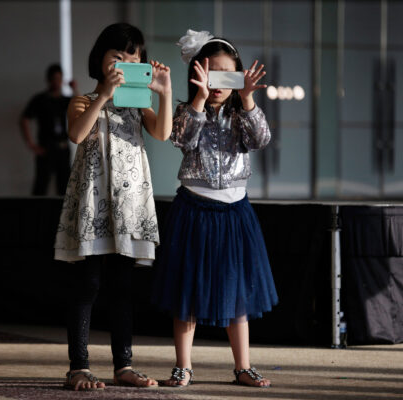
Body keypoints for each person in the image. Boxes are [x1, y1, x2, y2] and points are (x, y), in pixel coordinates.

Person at [151, 30, 278, 388]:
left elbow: (261, 139)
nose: (218, 83)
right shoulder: (186, 111)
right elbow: (180, 138)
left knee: (237, 290)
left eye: (227, 74)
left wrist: (249, 99)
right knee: (186, 292)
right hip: (193, 209)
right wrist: (199, 101)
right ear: (197, 73)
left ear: (238, 76)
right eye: (211, 73)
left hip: (236, 211)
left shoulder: (242, 113)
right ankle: (184, 366)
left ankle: (242, 366)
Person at [54, 23, 172, 391]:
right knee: (87, 284)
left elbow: (164, 134)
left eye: (131, 58)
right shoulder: (84, 100)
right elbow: (76, 134)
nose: (122, 63)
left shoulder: (139, 107)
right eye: (116, 56)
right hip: (93, 204)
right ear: (101, 59)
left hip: (129, 205)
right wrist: (103, 95)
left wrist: (165, 94)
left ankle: (124, 365)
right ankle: (79, 367)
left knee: (123, 287)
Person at [20, 64, 78, 196]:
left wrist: (75, 89)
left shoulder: (65, 100)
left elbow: (82, 108)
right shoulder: (40, 99)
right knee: (41, 186)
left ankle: (63, 216)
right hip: (46, 148)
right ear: (48, 80)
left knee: (64, 188)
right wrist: (31, 144)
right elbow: (24, 119)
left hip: (63, 148)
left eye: (59, 78)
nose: (56, 82)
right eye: (54, 79)